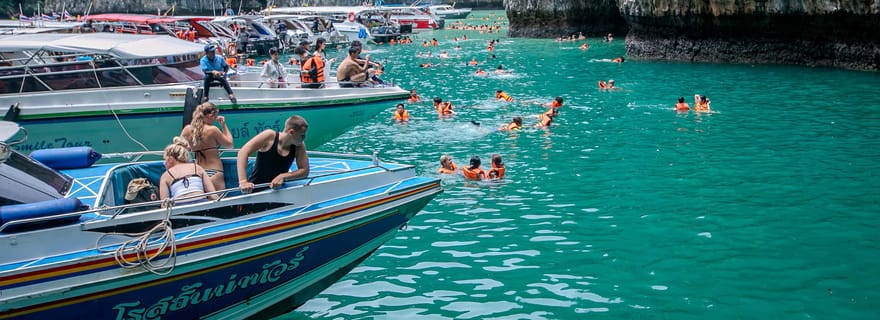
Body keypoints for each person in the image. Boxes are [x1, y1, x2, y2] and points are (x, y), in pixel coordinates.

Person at [237, 115, 310, 193]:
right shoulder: (270, 136)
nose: (304, 138)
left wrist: (283, 176)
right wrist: (243, 181)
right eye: (302, 135)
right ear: (291, 132)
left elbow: (304, 171)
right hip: (255, 191)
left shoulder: (299, 145)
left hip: (279, 192)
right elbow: (243, 152)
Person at [180, 102, 233, 191]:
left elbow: (181, 148)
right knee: (219, 203)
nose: (214, 119)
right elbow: (230, 144)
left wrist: (193, 147)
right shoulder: (212, 130)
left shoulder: (187, 129)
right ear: (210, 115)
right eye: (215, 117)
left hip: (197, 172)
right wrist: (223, 126)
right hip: (215, 171)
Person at [158, 137, 218, 205]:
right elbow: (213, 195)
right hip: (201, 204)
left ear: (171, 159)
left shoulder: (165, 176)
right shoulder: (197, 168)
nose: (164, 163)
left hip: (181, 209)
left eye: (165, 159)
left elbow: (164, 205)